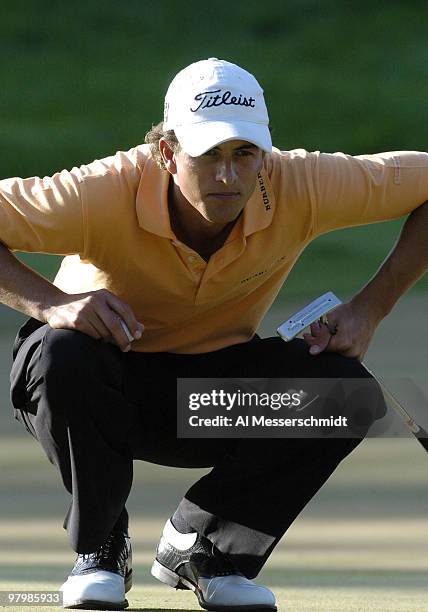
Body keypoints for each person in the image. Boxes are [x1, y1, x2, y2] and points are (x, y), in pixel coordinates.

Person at [2, 57, 427, 611]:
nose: (227, 176)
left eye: (243, 154)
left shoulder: (301, 182)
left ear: (264, 154)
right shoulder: (100, 192)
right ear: (166, 153)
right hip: (98, 391)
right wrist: (52, 303)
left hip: (204, 404)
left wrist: (371, 308)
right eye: (207, 156)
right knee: (61, 355)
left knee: (343, 392)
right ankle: (103, 547)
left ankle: (206, 547)